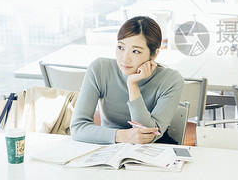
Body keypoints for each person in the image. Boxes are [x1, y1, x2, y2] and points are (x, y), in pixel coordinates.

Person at [71, 16, 184, 145]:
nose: (125, 59)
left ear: (154, 54)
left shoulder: (171, 80)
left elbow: (148, 136)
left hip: (153, 152)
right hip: (108, 147)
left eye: (135, 51)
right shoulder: (100, 69)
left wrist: (132, 84)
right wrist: (123, 136)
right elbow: (77, 128)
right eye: (120, 48)